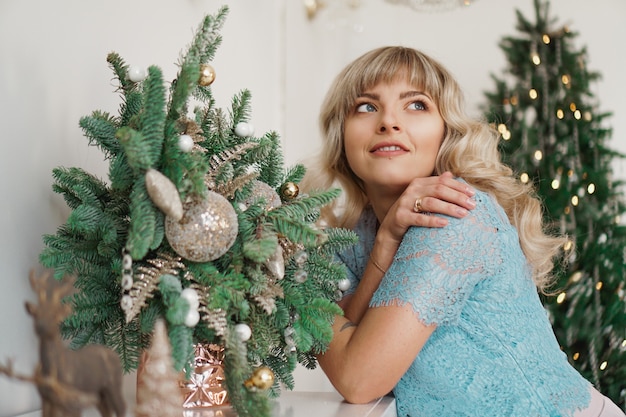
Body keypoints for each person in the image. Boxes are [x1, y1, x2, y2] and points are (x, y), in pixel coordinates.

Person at [302, 46, 625, 417]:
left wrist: (344, 326)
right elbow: (341, 354)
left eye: (417, 105)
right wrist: (385, 245)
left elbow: (358, 378)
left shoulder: (455, 213)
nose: (389, 121)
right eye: (365, 106)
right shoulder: (346, 239)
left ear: (446, 132)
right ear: (341, 135)